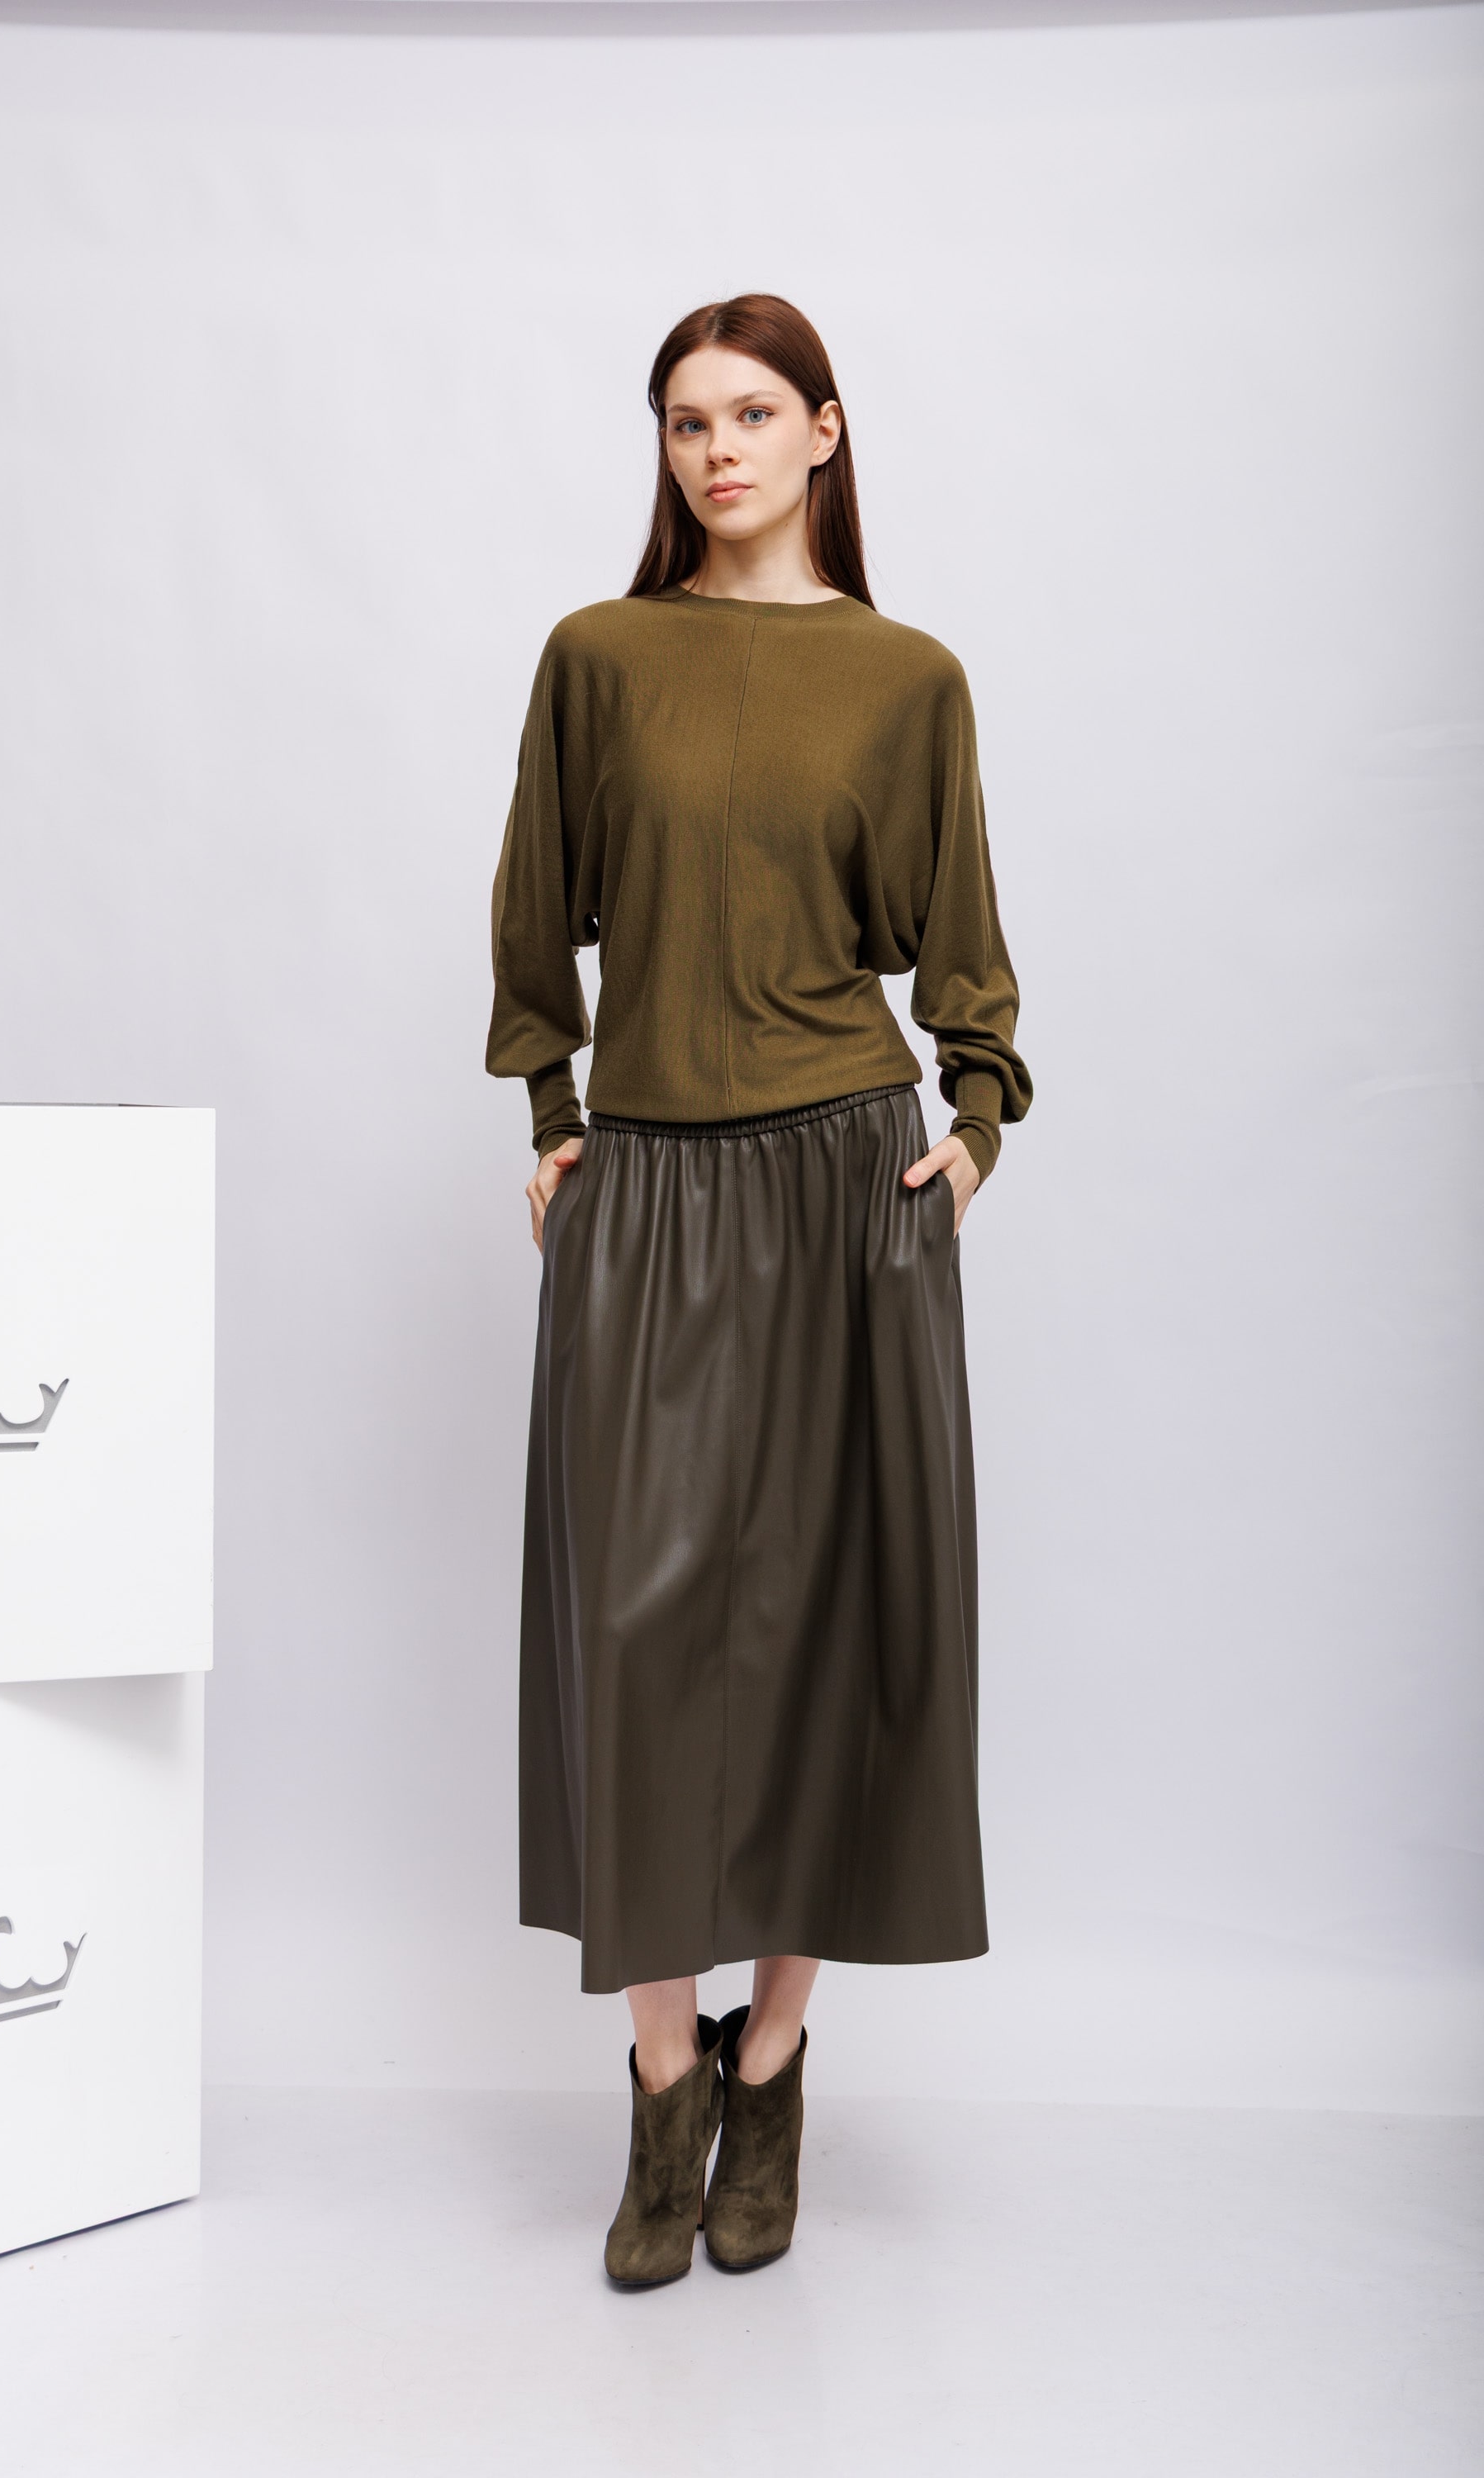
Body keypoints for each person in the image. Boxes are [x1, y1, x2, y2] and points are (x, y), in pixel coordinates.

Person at [486, 294, 1031, 2288]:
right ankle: (660, 2086)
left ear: (824, 431)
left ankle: (773, 2066)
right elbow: (536, 914)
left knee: (822, 1626)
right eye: (680, 422)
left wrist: (975, 1123)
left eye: (745, 415)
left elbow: (963, 947)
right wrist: (554, 1114)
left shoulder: (906, 679)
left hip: (839, 1186)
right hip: (645, 1179)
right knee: (635, 1637)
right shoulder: (598, 658)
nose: (712, 450)